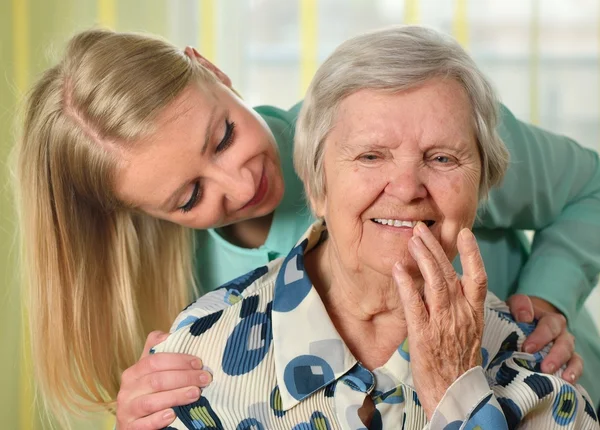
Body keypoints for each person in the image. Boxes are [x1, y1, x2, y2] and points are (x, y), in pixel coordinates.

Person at [13, 28, 599, 429]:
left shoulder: (408, 122)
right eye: (190, 196)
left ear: (211, 68)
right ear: (144, 213)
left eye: (222, 137)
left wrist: (547, 299)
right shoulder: (192, 307)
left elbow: (588, 188)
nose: (240, 187)